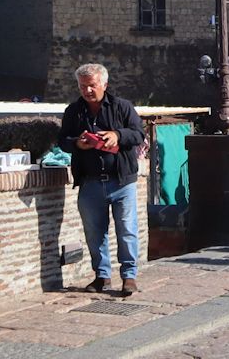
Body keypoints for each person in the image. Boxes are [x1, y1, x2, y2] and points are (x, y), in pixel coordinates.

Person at [59, 63, 145, 296]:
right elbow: (62, 141)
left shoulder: (122, 107)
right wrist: (78, 142)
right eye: (82, 86)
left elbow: (139, 134)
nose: (87, 90)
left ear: (104, 85)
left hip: (122, 181)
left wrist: (117, 135)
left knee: (127, 230)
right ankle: (102, 276)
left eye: (92, 86)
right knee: (95, 233)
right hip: (90, 182)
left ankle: (129, 277)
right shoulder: (73, 111)